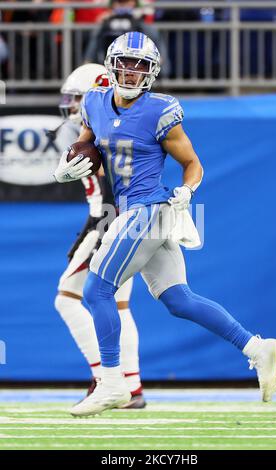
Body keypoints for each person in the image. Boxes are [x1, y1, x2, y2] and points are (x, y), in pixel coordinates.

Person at [54, 32, 276, 417]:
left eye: (140, 65)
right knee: (180, 300)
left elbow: (193, 163)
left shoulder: (160, 110)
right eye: (125, 63)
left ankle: (113, 383)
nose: (131, 72)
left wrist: (188, 190)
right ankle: (257, 348)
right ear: (112, 66)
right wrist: (66, 166)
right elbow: (86, 146)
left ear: (152, 72)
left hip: (147, 209)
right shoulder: (93, 103)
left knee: (96, 293)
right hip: (137, 213)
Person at [54, 63, 146, 409]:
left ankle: (105, 378)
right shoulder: (111, 126)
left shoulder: (104, 130)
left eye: (78, 98)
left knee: (66, 298)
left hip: (113, 221)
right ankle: (132, 386)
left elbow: (109, 192)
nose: (71, 105)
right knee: (119, 305)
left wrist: (101, 233)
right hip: (130, 221)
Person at [84, 0, 169, 77]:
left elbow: (159, 55)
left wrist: (138, 21)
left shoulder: (143, 26)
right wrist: (87, 65)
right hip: (110, 67)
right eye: (120, 3)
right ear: (112, 5)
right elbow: (93, 49)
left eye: (127, 2)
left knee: (150, 30)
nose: (123, 6)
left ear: (134, 3)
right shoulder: (104, 25)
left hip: (138, 68)